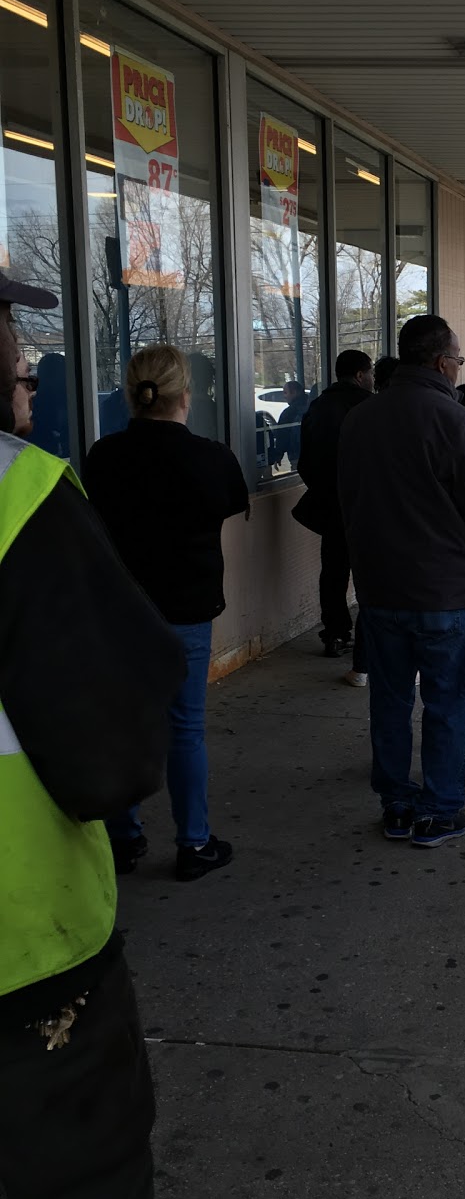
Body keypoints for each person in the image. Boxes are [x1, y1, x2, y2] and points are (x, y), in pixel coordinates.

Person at [0, 275, 271, 1199]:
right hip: (27, 949)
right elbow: (111, 743)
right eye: (11, 341)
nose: (25, 359)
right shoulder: (21, 494)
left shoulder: (100, 466)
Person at [339, 315, 465, 848]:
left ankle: (395, 802)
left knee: (389, 703)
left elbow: (346, 501)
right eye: (458, 359)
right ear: (441, 362)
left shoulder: (360, 420)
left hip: (379, 591)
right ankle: (439, 807)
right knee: (446, 704)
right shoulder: (458, 423)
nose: (459, 366)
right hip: (445, 594)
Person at [84, 344, 250, 880]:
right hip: (186, 609)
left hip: (121, 612)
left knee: (125, 724)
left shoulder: (103, 456)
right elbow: (228, 505)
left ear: (131, 395)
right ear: (185, 396)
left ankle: (122, 838)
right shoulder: (210, 457)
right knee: (185, 729)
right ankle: (193, 843)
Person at [296, 348, 374, 680]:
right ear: (359, 375)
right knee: (371, 574)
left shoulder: (317, 407)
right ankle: (368, 644)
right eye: (369, 371)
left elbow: (305, 462)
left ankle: (336, 633)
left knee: (333, 571)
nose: (372, 377)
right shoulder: (368, 408)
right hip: (365, 504)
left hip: (329, 504)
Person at [268, 378, 308, 471]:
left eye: (285, 393)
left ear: (294, 392)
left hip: (296, 454)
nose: (284, 396)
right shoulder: (313, 406)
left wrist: (278, 455)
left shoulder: (289, 413)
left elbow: (282, 435)